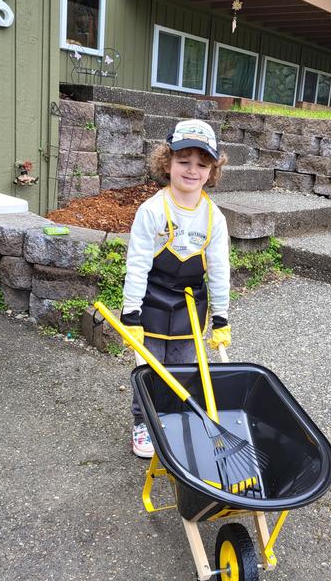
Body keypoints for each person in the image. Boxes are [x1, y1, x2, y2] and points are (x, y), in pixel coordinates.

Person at [121, 119, 231, 458]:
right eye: (184, 161)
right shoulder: (152, 210)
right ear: (166, 162)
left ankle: (173, 418)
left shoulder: (214, 218)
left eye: (202, 164)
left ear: (212, 171)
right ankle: (144, 422)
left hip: (189, 304)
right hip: (152, 300)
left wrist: (222, 318)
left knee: (184, 369)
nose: (192, 170)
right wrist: (131, 312)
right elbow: (138, 264)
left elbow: (219, 270)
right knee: (149, 367)